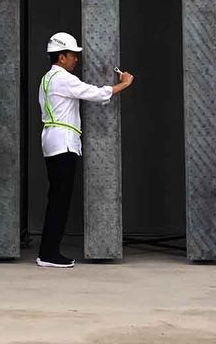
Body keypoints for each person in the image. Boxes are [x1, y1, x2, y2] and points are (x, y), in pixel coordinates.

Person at [37, 32, 134, 268]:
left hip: (52, 139)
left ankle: (47, 251)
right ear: (61, 57)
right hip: (64, 142)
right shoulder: (63, 78)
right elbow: (94, 92)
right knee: (60, 200)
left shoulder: (47, 78)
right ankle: (49, 254)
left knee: (56, 198)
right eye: (72, 55)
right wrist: (124, 84)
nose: (76, 59)